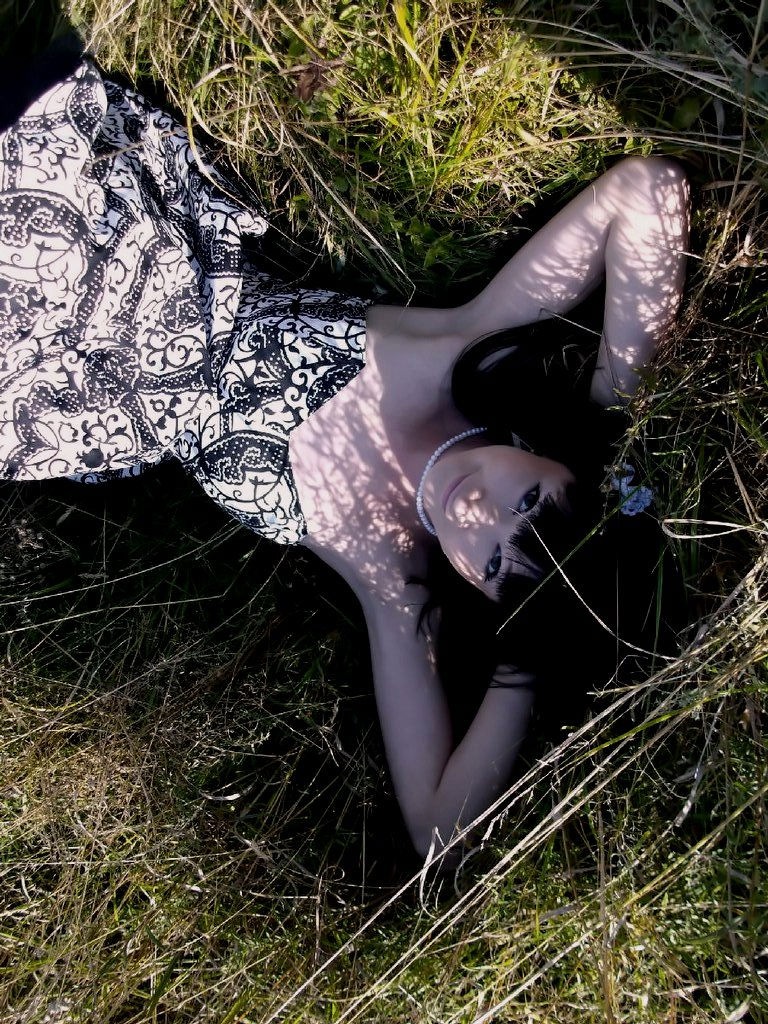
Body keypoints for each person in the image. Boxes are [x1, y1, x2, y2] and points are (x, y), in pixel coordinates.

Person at [0, 54, 689, 858]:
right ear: (541, 453)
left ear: (480, 592)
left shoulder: (391, 581)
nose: (481, 515)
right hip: (108, 233)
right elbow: (649, 189)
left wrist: (530, 659)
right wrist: (619, 416)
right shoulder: (460, 348)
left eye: (497, 563)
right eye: (529, 501)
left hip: (60, 384)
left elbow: (438, 830)